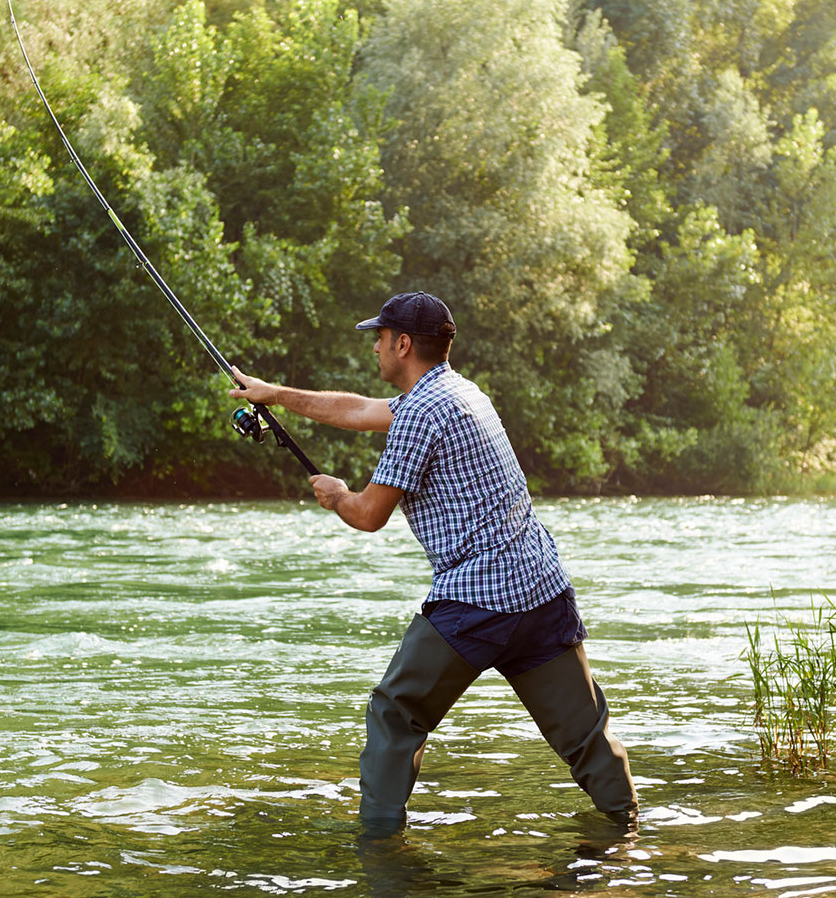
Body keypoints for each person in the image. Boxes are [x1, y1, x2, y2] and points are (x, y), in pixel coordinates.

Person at [227, 291, 637, 839]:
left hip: (476, 601)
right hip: (543, 590)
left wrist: (337, 494)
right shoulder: (461, 393)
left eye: (378, 337)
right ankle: (629, 837)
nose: (374, 346)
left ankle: (380, 849)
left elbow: (370, 514)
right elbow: (357, 410)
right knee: (584, 733)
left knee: (395, 713)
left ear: (402, 343)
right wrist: (274, 395)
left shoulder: (419, 413)